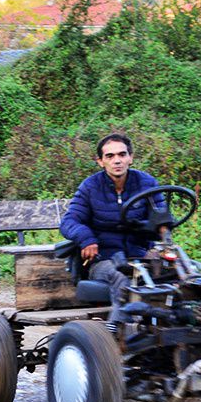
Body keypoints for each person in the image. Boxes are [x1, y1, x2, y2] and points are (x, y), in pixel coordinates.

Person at [59, 133, 164, 325]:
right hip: (104, 260)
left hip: (140, 255)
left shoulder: (147, 183)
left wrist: (160, 231)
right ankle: (117, 333)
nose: (117, 160)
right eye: (110, 156)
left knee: (179, 273)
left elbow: (161, 218)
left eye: (122, 155)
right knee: (124, 276)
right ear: (100, 161)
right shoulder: (90, 187)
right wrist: (87, 239)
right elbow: (69, 221)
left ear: (130, 158)